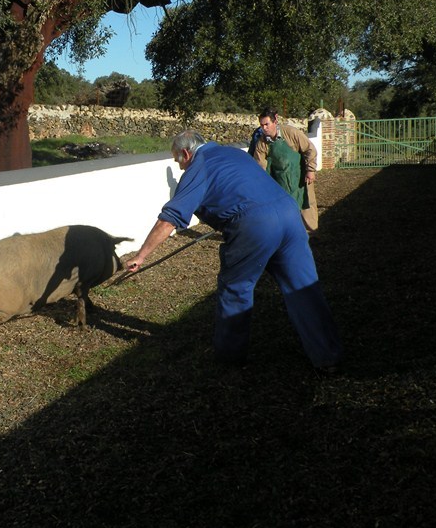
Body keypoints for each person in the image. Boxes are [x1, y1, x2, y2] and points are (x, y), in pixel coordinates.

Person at [124, 130, 343, 374]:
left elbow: (169, 219)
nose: (180, 167)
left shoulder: (199, 165)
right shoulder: (232, 153)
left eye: (178, 161)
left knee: (235, 288)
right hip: (290, 215)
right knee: (304, 287)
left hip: (255, 225)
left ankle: (230, 359)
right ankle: (328, 356)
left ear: (186, 153)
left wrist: (140, 256)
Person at [251, 108, 319, 232]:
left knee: (305, 206)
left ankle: (310, 234)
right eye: (261, 125)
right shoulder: (262, 143)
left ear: (275, 121)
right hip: (280, 180)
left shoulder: (290, 133)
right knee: (284, 209)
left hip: (299, 177)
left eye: (267, 124)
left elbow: (310, 150)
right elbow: (260, 164)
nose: (264, 128)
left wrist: (310, 170)